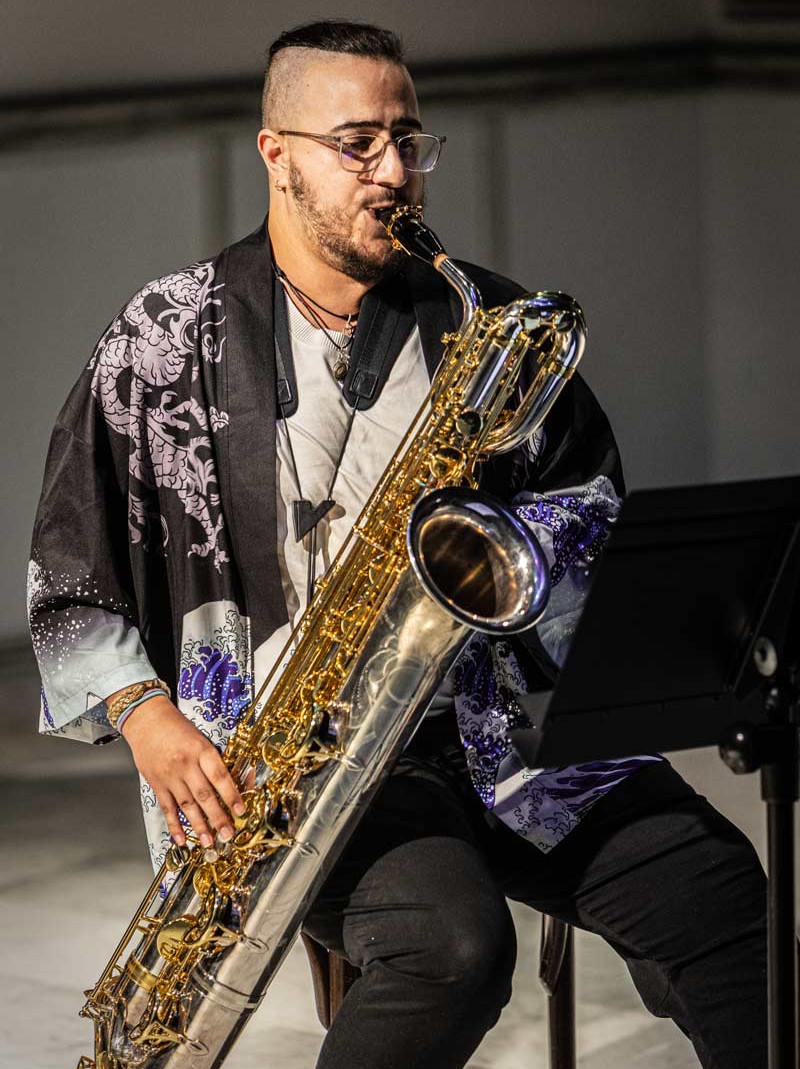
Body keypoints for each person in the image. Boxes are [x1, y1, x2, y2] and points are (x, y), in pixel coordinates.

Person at [29, 19, 767, 1069]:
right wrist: (147, 719)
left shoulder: (490, 326)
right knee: (452, 947)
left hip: (499, 732)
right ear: (276, 154)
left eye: (408, 141)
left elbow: (589, 505)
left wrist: (511, 550)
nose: (394, 172)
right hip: (290, 766)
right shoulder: (162, 340)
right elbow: (70, 575)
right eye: (357, 144)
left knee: (718, 892)